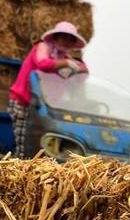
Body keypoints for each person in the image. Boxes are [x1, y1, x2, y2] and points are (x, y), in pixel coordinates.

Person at [8, 21, 88, 157]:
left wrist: (76, 67)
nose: (66, 42)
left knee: (44, 147)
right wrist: (67, 63)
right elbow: (42, 64)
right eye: (63, 37)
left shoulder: (65, 57)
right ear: (55, 37)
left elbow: (82, 76)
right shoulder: (42, 47)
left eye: (70, 40)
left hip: (46, 108)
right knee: (24, 146)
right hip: (24, 103)